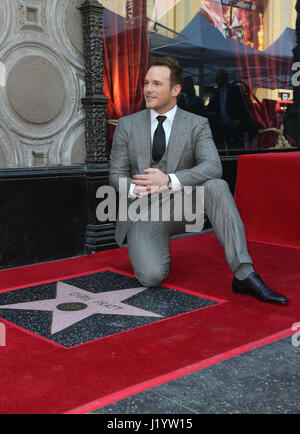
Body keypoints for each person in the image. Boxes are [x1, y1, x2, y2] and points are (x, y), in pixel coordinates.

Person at [109, 56, 288, 305]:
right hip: (143, 211)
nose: (148, 89)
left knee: (217, 185)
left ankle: (244, 274)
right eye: (146, 83)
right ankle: (154, 248)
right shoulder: (127, 125)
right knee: (151, 276)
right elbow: (115, 174)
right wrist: (137, 187)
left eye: (157, 84)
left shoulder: (197, 124)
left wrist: (169, 180)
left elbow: (213, 166)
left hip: (183, 205)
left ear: (175, 90)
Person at [207, 69, 256, 149]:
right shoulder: (215, 92)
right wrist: (211, 112)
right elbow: (210, 108)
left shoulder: (235, 89)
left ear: (225, 78)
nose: (216, 79)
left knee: (236, 149)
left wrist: (239, 120)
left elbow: (244, 107)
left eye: (219, 77)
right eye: (216, 77)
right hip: (221, 127)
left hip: (234, 125)